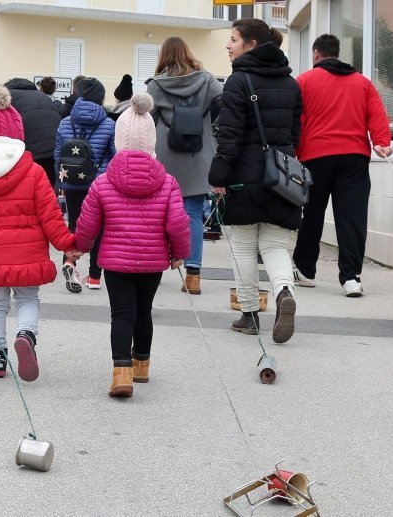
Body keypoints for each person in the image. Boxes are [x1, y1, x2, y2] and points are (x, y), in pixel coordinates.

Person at [0, 85, 78, 381]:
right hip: (28, 253)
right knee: (28, 299)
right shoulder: (33, 172)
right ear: (17, 132)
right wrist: (68, 244)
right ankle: (26, 336)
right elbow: (51, 216)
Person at [75, 93, 190, 397]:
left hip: (114, 262)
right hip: (152, 262)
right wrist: (179, 253)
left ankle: (121, 373)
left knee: (121, 314)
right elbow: (177, 222)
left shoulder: (103, 182)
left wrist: (80, 246)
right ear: (153, 141)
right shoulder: (167, 182)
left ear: (118, 140)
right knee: (144, 311)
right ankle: (142, 366)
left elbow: (88, 222)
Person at [208, 18, 301, 344]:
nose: (228, 45)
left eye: (232, 39)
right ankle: (284, 293)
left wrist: (218, 176)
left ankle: (249, 315)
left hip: (243, 177)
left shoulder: (238, 81)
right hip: (282, 178)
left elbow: (229, 136)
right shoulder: (291, 83)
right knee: (275, 247)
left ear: (251, 44)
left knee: (243, 248)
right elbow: (295, 136)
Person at [291, 34, 393, 297]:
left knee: (312, 214)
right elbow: (377, 114)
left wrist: (293, 151)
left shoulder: (303, 81)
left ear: (316, 54)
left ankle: (305, 271)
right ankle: (351, 278)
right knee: (352, 217)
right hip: (353, 158)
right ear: (338, 53)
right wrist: (381, 142)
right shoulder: (362, 83)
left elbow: (296, 120)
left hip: (315, 157)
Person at [146, 36, 223, 295]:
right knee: (192, 213)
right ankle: (193, 274)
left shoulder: (156, 86)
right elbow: (224, 105)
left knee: (159, 213)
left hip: (166, 155)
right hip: (198, 154)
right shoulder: (207, 80)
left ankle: (156, 267)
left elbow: (148, 120)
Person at [54, 77, 116, 292]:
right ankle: (95, 278)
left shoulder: (65, 122)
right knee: (98, 228)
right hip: (98, 184)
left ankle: (69, 262)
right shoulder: (108, 123)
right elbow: (113, 156)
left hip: (71, 182)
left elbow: (57, 154)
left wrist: (60, 178)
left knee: (74, 225)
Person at [4, 77, 62, 189]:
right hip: (53, 147)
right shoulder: (43, 96)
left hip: (29, 149)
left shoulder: (8, 96)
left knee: (27, 188)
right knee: (47, 188)